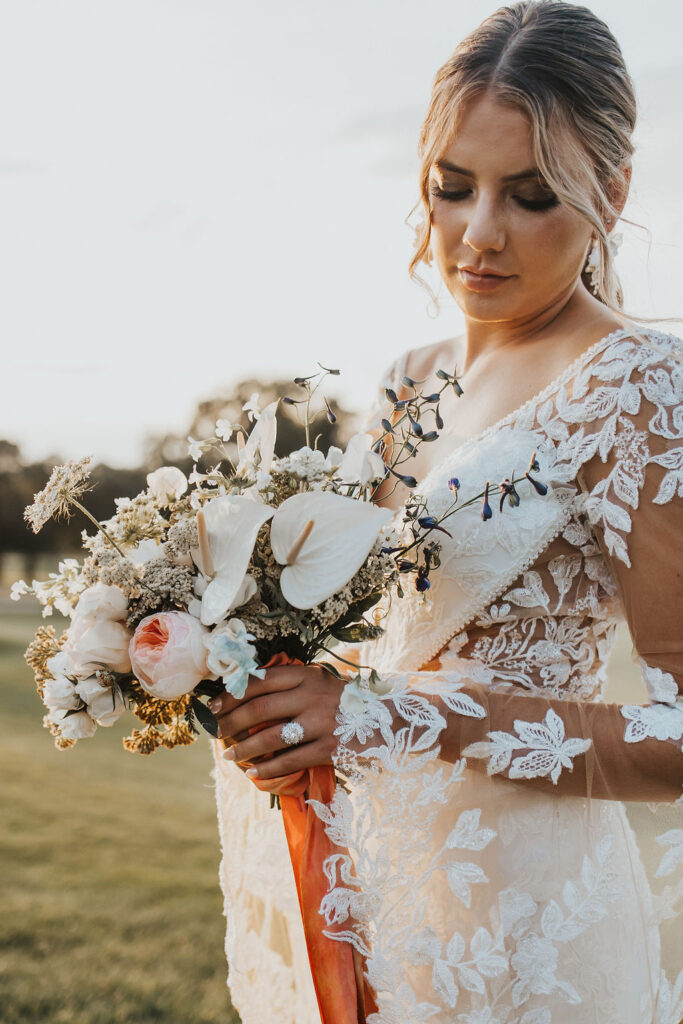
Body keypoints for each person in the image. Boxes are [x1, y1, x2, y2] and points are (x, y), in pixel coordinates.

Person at [210, 3, 683, 1021]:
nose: (477, 234)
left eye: (529, 195)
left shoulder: (640, 389)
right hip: (381, 878)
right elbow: (379, 643)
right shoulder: (401, 382)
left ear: (611, 191)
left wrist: (388, 714)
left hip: (530, 917)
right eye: (451, 186)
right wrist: (259, 678)